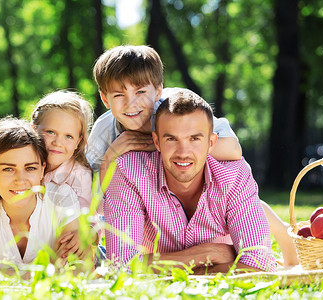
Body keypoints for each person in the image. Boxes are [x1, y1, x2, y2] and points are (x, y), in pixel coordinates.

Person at [87, 45, 298, 266]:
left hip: (197, 180)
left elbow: (233, 150)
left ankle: (284, 238)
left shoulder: (177, 107)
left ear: (158, 90)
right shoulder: (104, 132)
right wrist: (110, 159)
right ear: (104, 98)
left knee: (235, 194)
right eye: (119, 95)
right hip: (145, 195)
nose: (131, 103)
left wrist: (163, 145)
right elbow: (97, 199)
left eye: (140, 92)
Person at [104, 89, 277, 273]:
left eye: (194, 139)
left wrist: (176, 272)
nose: (183, 152)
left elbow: (261, 263)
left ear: (211, 143)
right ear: (156, 141)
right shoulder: (128, 172)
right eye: (171, 139)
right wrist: (208, 254)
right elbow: (120, 265)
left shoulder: (234, 176)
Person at [0, 90, 96, 261]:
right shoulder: (19, 153)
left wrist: (85, 234)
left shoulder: (78, 175)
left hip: (54, 239)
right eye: (51, 132)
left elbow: (90, 218)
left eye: (68, 136)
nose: (58, 142)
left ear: (78, 140)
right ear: (33, 129)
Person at [0, 117, 81, 276]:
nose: (20, 180)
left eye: (31, 168)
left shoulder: (62, 197)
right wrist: (46, 273)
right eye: (8, 169)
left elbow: (81, 271)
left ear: (42, 169)